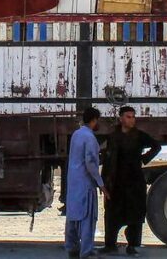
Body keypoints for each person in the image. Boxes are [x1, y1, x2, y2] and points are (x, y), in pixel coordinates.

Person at [102, 107, 161, 257]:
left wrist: (144, 159)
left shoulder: (139, 136)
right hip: (116, 182)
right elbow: (108, 160)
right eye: (128, 117)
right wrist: (104, 182)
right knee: (112, 213)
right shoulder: (113, 136)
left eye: (133, 117)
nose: (132, 120)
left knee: (135, 214)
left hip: (134, 181)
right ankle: (110, 244)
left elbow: (156, 146)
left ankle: (132, 245)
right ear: (121, 118)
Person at [65, 107, 108, 259]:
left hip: (74, 183)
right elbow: (90, 163)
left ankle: (72, 248)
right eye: (98, 121)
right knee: (87, 218)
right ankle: (86, 251)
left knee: (74, 217)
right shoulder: (90, 138)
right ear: (94, 120)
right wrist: (101, 185)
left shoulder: (77, 134)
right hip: (85, 183)